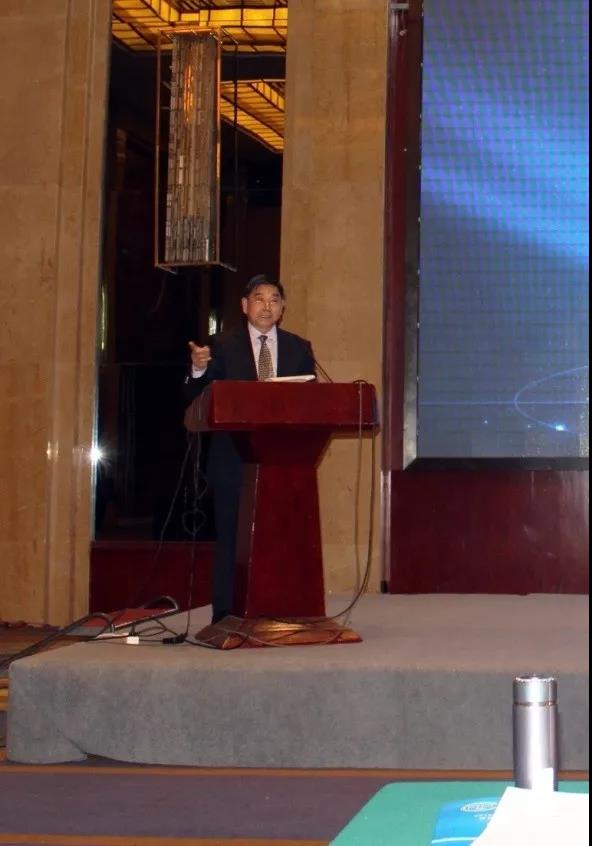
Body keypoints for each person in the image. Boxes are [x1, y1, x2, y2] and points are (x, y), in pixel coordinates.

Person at [184, 274, 316, 623]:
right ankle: (226, 615)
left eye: (274, 300)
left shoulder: (299, 348)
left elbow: (312, 403)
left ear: (283, 308)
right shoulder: (221, 346)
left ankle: (280, 608)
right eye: (259, 299)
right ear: (245, 306)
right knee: (231, 538)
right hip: (232, 459)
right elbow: (196, 397)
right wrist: (198, 369)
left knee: (282, 538)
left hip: (283, 462)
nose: (267, 306)